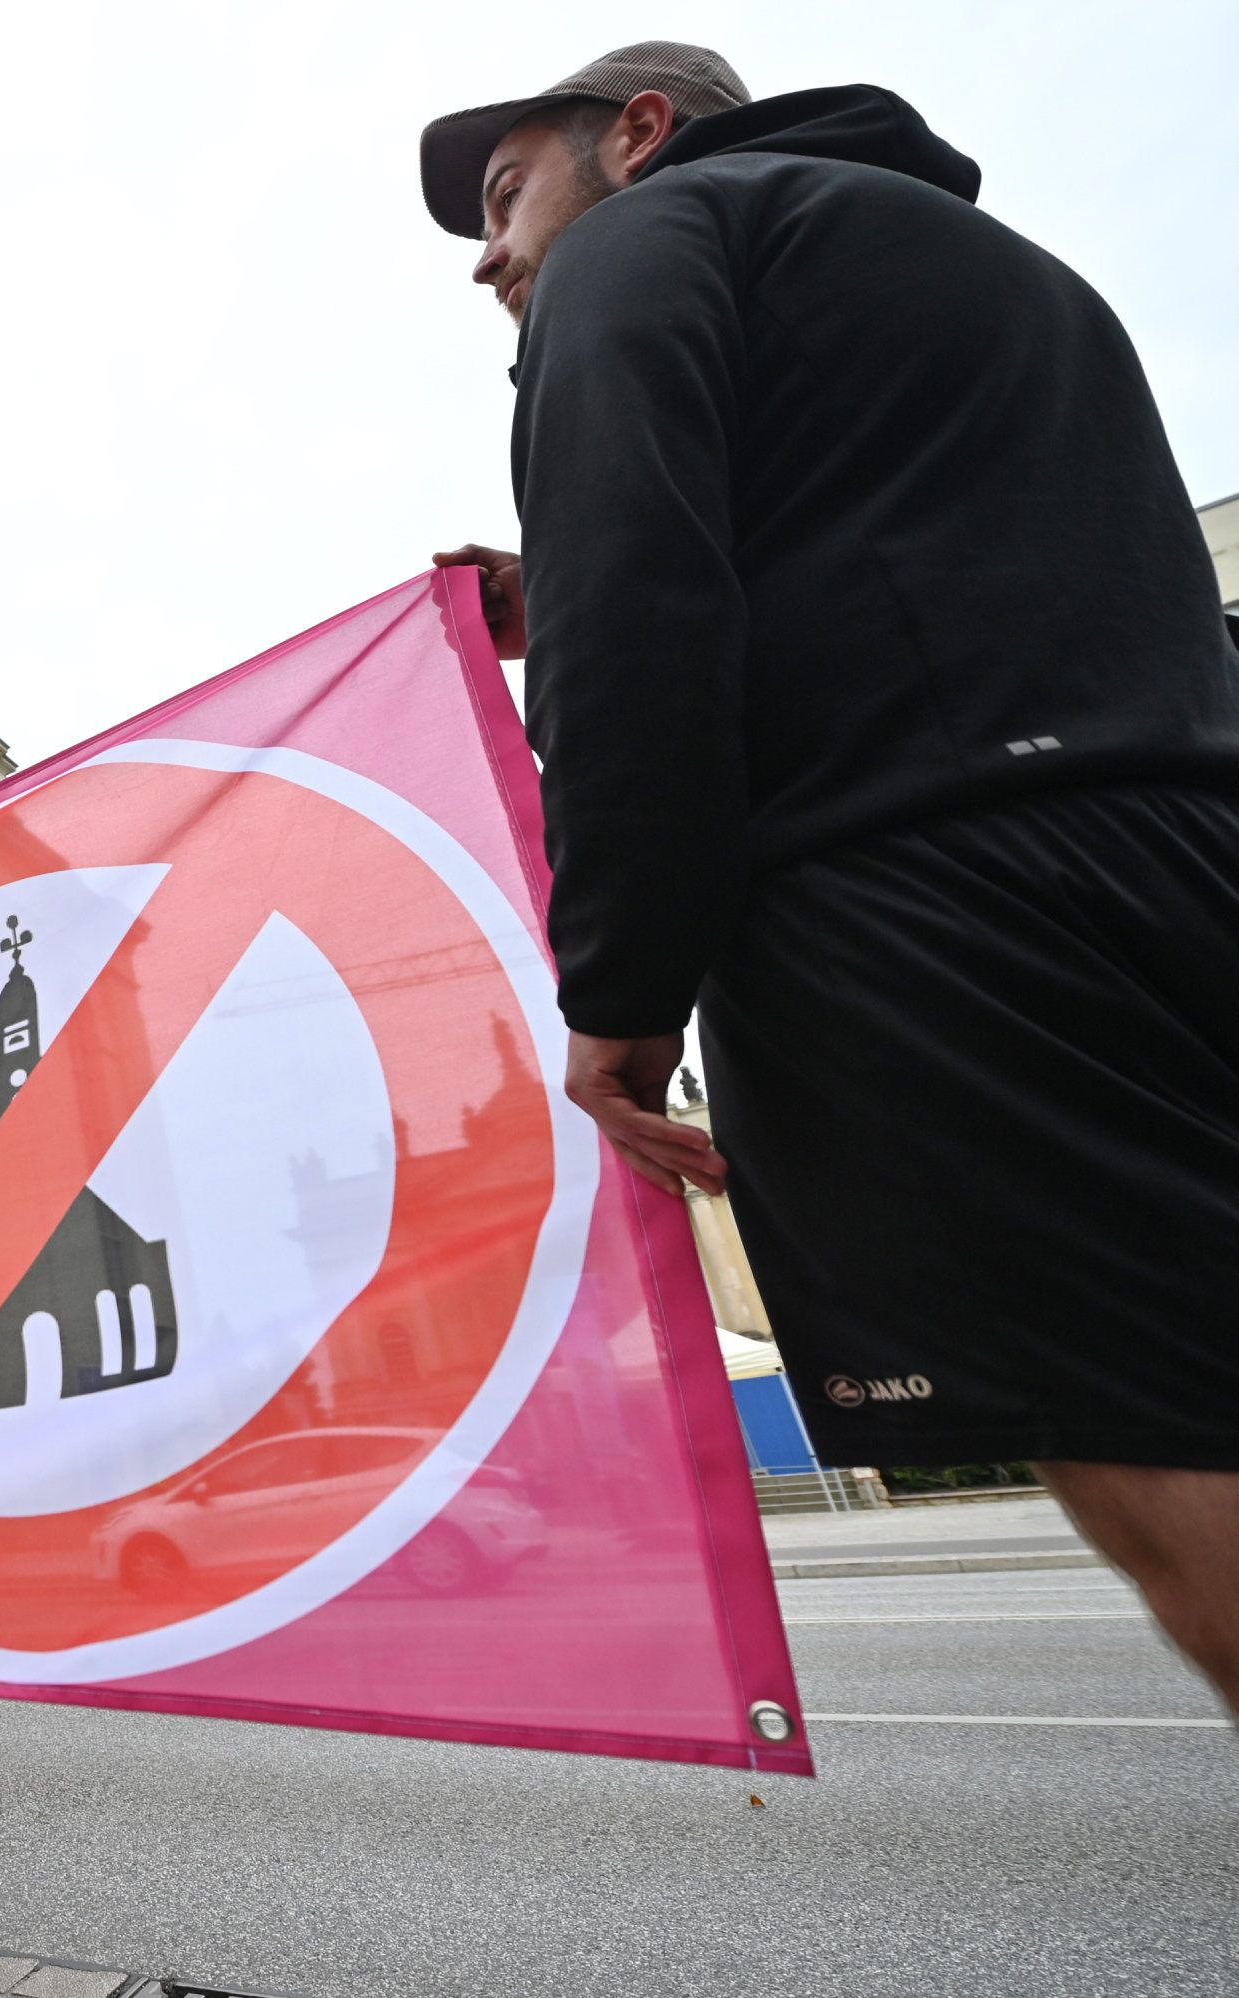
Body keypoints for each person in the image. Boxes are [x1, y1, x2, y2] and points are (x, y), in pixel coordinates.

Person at [421, 44, 1239, 1710]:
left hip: (924, 914)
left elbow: (638, 621)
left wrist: (624, 990)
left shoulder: (639, 252)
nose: (491, 258)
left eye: (507, 200)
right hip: (1178, 864)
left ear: (637, 136)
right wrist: (556, 579)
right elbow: (914, 541)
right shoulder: (1009, 274)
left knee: (1146, 1448)